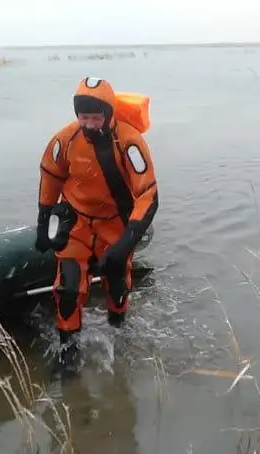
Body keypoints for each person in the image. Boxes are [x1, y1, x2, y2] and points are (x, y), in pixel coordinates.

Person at [34, 76, 159, 377]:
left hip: (114, 221)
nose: (89, 124)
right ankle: (68, 351)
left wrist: (126, 243)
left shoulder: (129, 142)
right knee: (68, 284)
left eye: (95, 117)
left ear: (109, 112)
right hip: (76, 221)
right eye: (83, 117)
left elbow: (148, 195)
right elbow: (50, 175)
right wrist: (43, 223)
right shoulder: (66, 139)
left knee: (116, 279)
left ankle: (118, 326)